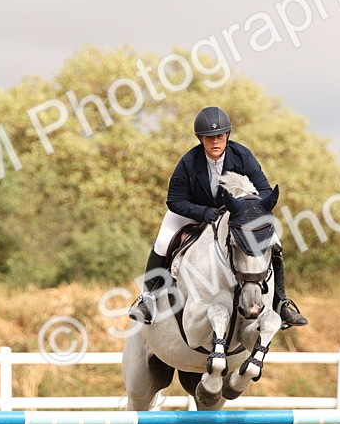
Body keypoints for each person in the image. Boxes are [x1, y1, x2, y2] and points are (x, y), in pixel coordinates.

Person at [128, 106, 309, 328]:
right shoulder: (188, 162)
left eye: (220, 136)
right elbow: (174, 201)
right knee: (163, 241)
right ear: (201, 139)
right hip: (193, 212)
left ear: (227, 136)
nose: (215, 142)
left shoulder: (242, 156)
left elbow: (263, 190)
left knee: (275, 243)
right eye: (209, 137)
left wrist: (243, 207)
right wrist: (203, 212)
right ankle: (147, 300)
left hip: (234, 213)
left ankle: (282, 303)